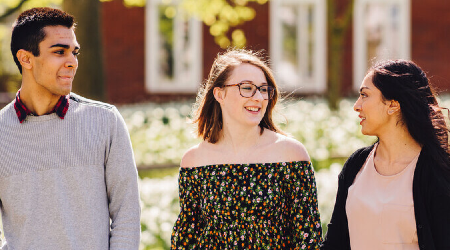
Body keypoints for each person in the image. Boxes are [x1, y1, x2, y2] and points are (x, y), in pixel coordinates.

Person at [0, 7, 141, 250]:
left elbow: (126, 214)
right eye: (59, 52)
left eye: (74, 52)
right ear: (26, 58)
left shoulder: (104, 121)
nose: (72, 62)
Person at [171, 49, 322, 249]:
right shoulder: (195, 161)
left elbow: (308, 239)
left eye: (263, 89)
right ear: (219, 94)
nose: (258, 97)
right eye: (247, 88)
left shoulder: (291, 154)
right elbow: (185, 242)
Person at [321, 60, 450, 250]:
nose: (357, 106)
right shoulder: (356, 164)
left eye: (365, 95)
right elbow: (335, 242)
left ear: (393, 105)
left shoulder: (436, 172)